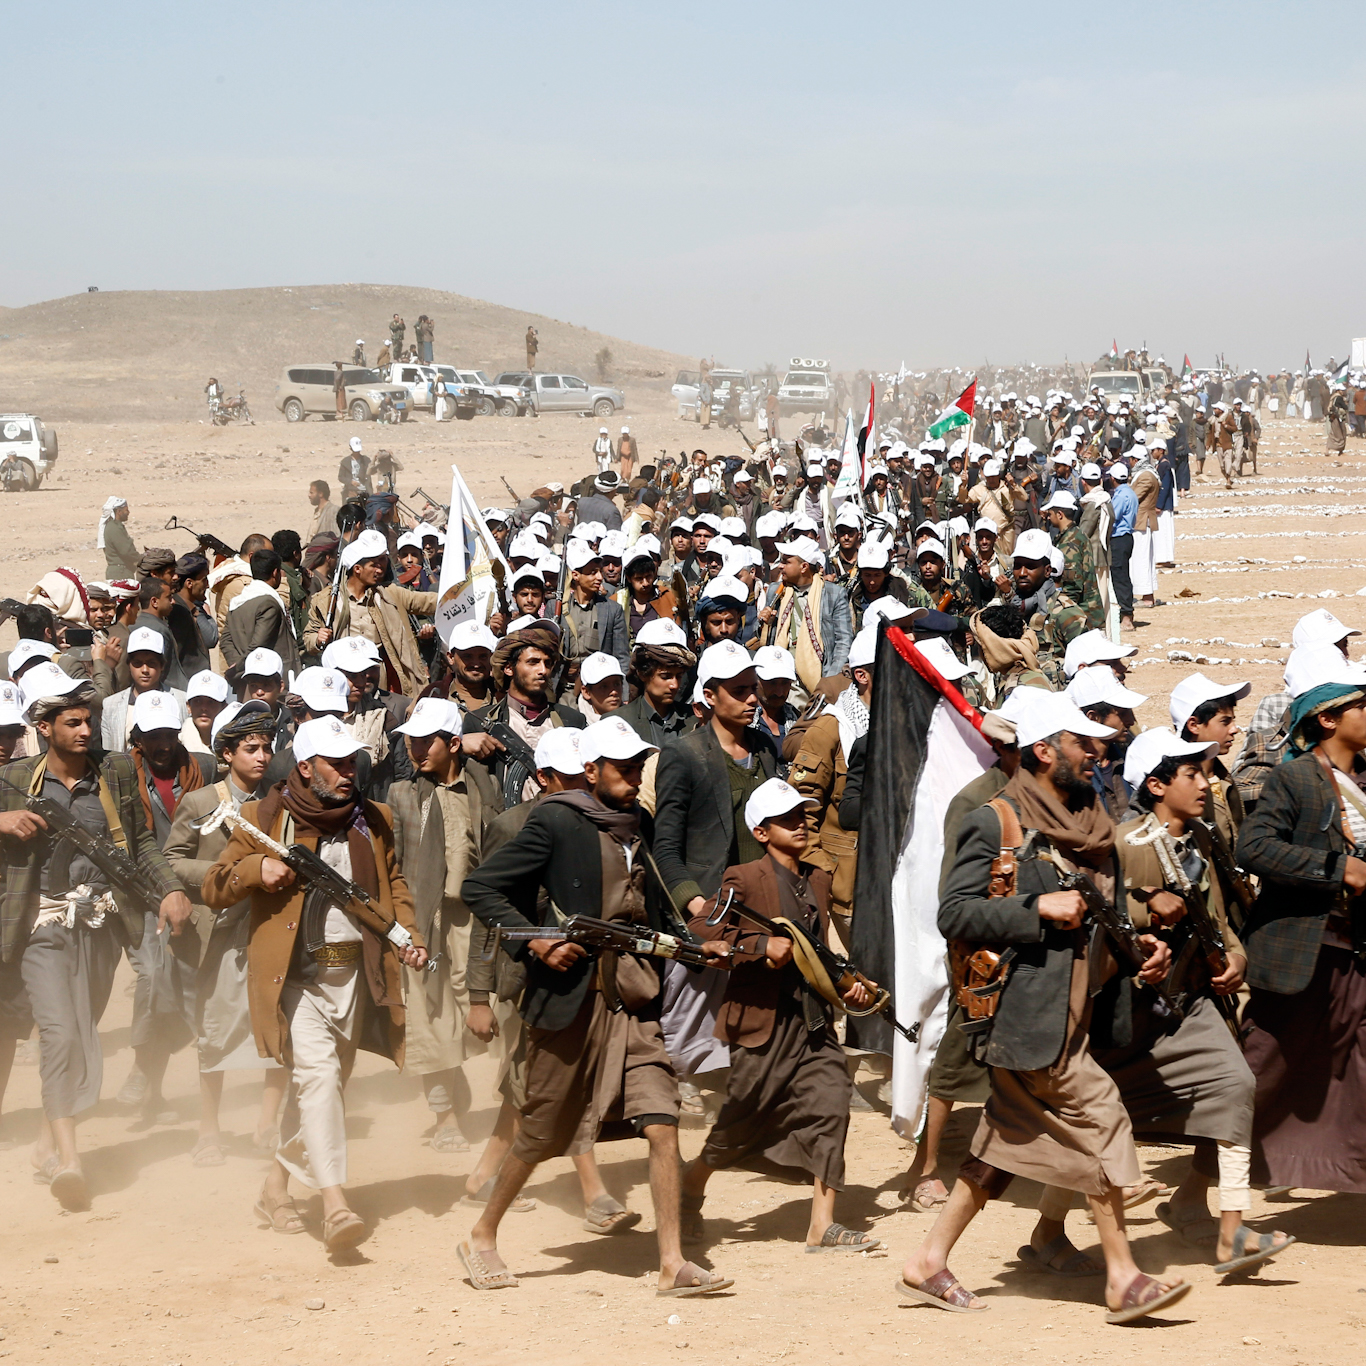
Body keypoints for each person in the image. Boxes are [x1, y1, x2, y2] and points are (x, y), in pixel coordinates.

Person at [899, 692, 1189, 1323]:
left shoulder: (1091, 821)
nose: (1097, 750)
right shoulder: (993, 820)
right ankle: (1123, 1277)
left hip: (1080, 1010)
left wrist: (1137, 944)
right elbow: (954, 913)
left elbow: (1100, 912)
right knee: (1101, 1113)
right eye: (1082, 742)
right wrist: (1034, 911)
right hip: (1026, 1016)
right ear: (1043, 749)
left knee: (998, 1150)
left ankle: (928, 1259)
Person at [460, 716, 735, 1295]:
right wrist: (536, 938)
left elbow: (652, 915)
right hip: (572, 1003)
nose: (635, 778)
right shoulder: (556, 821)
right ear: (592, 770)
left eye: (639, 768)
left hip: (634, 1002)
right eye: (624, 768)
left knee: (663, 1122)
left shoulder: (642, 823)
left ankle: (670, 1264)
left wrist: (695, 945)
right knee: (538, 1132)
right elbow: (481, 888)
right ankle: (481, 1235)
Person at [201, 716, 428, 1252]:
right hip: (296, 980)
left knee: (324, 1091)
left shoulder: (373, 818)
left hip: (356, 976)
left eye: (354, 763)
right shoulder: (261, 818)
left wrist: (409, 936)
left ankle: (274, 1189)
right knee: (320, 1080)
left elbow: (393, 884)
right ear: (306, 767)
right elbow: (214, 886)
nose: (350, 773)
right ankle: (335, 1205)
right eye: (338, 764)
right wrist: (258, 871)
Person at [0, 664, 191, 1209]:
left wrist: (169, 890)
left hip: (104, 924)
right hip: (40, 928)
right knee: (59, 1033)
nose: (84, 731)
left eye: (89, 721)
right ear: (44, 727)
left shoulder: (115, 774)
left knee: (81, 1034)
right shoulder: (14, 779)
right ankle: (70, 1158)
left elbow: (141, 845)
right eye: (72, 722)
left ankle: (43, 1144)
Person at [1104, 728, 1293, 1274]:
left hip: (1194, 1003)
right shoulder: (1127, 845)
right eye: (1191, 774)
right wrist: (1145, 912)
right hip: (1135, 1013)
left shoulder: (1202, 838)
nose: (1206, 783)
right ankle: (1048, 1231)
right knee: (1101, 1122)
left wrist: (1235, 956)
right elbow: (1109, 915)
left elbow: (1216, 916)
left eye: (1204, 772)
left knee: (1235, 1086)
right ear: (1158, 785)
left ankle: (1232, 1229)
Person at [681, 778, 881, 1252]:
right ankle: (689, 1187)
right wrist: (757, 946)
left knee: (833, 1102)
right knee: (738, 1125)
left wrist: (846, 987)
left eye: (802, 816)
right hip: (762, 1023)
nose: (800, 824)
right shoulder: (745, 878)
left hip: (810, 1023)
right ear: (761, 831)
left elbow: (819, 954)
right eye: (786, 819)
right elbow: (701, 930)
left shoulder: (817, 879)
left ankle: (822, 1226)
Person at [1237, 644, 1366, 1195]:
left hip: (1355, 951)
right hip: (1303, 952)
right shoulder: (1295, 780)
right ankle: (1197, 1192)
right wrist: (1338, 869)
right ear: (1329, 718)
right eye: (1364, 706)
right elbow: (1255, 848)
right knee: (1263, 1073)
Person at [164, 701, 289, 1165]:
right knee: (213, 1030)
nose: (260, 756)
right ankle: (209, 1130)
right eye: (250, 748)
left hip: (268, 928)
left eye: (266, 748)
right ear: (227, 753)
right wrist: (230, 872)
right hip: (217, 932)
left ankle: (268, 1122)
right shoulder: (201, 802)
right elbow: (172, 859)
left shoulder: (281, 803)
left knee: (277, 1020)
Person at [387, 698, 500, 1153]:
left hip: (474, 919)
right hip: (425, 920)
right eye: (411, 740)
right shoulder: (401, 794)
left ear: (453, 743)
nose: (415, 749)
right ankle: (445, 1116)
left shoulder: (484, 790)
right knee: (429, 1017)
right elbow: (393, 864)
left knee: (481, 1007)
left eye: (425, 740)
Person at [305, 529, 437, 699]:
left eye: (383, 561)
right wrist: (318, 638)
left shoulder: (389, 594)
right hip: (345, 678)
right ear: (358, 568)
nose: (381, 569)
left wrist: (460, 596)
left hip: (382, 678)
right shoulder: (326, 601)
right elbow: (309, 638)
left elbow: (429, 601)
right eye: (375, 564)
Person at [755, 535, 852, 709]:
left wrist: (829, 681)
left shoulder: (833, 594)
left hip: (820, 674)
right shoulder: (776, 592)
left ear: (804, 567)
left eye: (786, 561)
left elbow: (844, 641)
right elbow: (764, 637)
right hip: (786, 676)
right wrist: (764, 623)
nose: (781, 566)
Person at [222, 549, 301, 683]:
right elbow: (258, 644)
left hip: (248, 678)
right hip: (272, 680)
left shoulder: (237, 602)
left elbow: (225, 641)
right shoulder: (268, 603)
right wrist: (241, 667)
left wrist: (236, 664)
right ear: (275, 573)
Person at [97, 497, 138, 580]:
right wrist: (142, 559)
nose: (128, 512)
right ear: (119, 511)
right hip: (121, 573)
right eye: (126, 510)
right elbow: (126, 551)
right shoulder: (114, 528)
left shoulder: (114, 526)